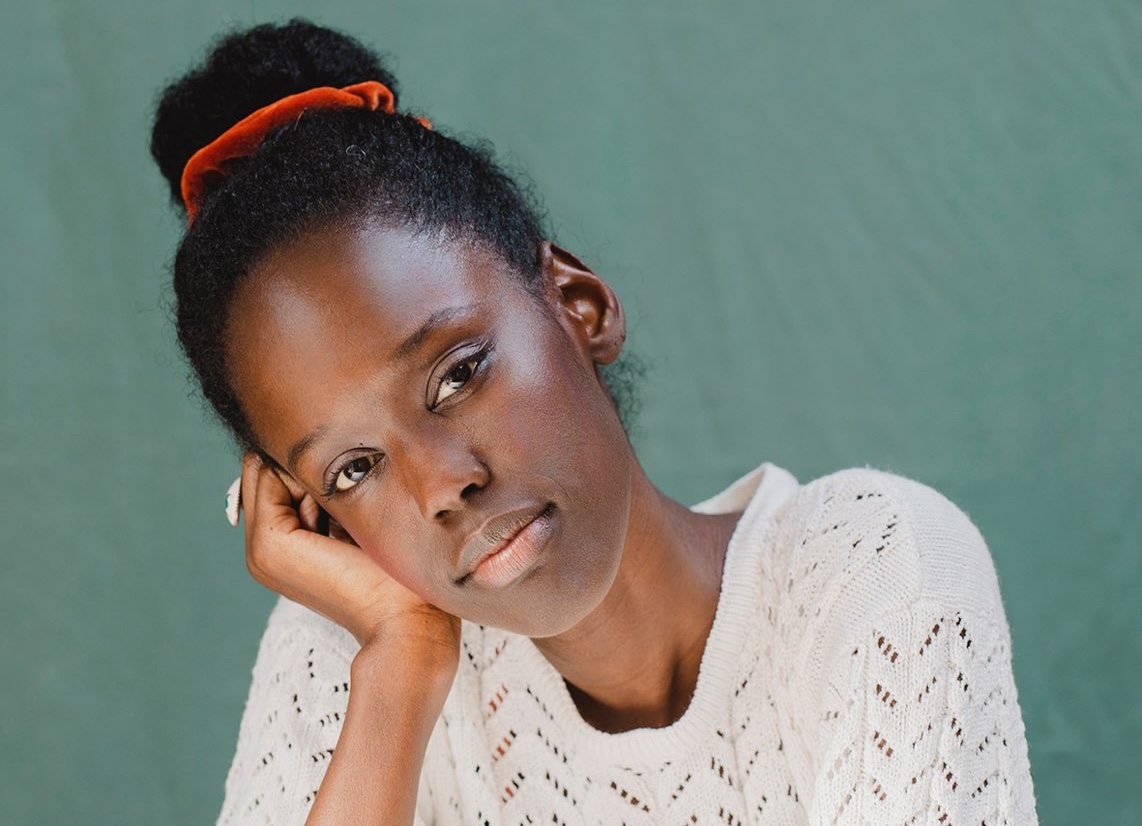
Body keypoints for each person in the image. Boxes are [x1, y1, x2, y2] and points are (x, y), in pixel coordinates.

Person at [150, 19, 1037, 826]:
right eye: (353, 470)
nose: (442, 485)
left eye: (456, 376)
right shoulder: (348, 656)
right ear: (315, 515)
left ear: (579, 304)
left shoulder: (872, 571)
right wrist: (399, 667)